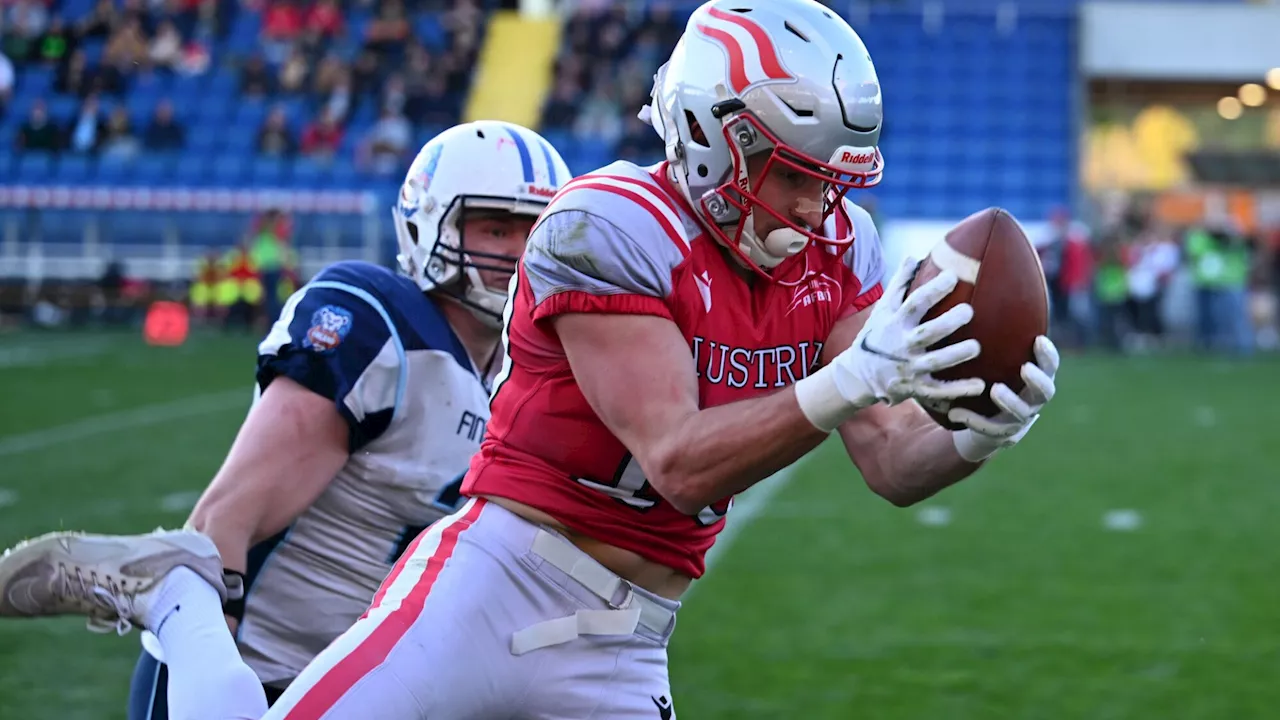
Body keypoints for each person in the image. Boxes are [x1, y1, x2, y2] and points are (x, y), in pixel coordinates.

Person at [0, 2, 1058, 718]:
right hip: (497, 577)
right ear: (708, 136)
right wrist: (847, 379)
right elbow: (681, 460)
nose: (816, 206)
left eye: (832, 180)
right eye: (791, 175)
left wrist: (971, 432)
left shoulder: (835, 247)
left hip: (629, 632)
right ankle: (181, 601)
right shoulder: (603, 226)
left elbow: (887, 460)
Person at [0, 119, 570, 720]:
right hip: (258, 672)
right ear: (429, 223)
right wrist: (211, 674)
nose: (517, 250)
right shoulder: (384, 331)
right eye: (497, 227)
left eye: (535, 230)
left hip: (371, 688)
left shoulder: (526, 367)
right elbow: (226, 518)